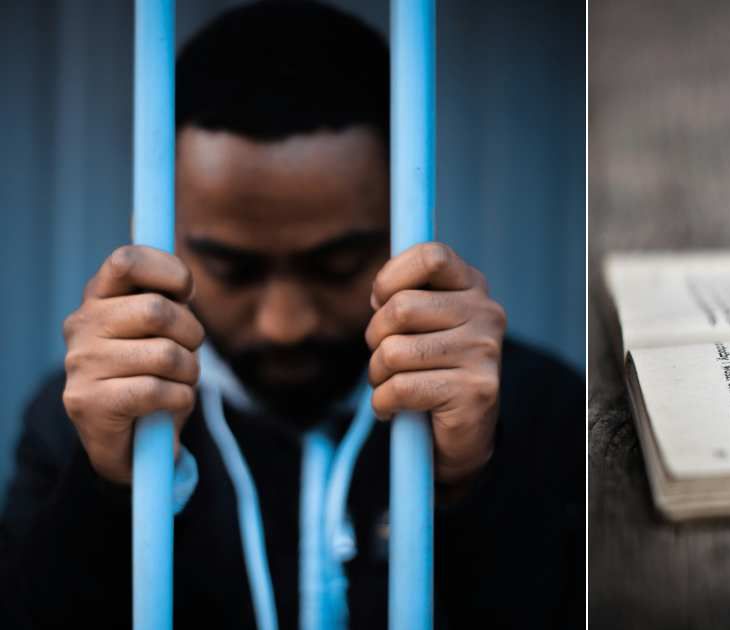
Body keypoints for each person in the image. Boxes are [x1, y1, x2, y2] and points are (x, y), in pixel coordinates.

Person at [0, 2, 582, 628]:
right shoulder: (81, 419)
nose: (286, 323)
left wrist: (470, 482)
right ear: (159, 236)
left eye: (338, 264)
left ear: (408, 226)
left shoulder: (537, 406)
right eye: (233, 268)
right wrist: (107, 490)